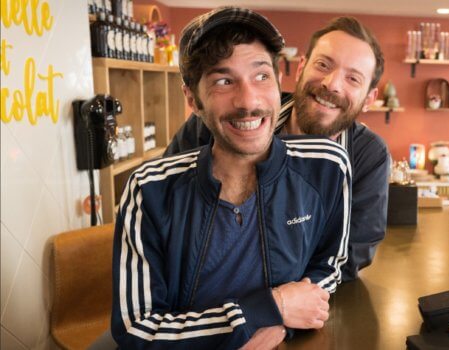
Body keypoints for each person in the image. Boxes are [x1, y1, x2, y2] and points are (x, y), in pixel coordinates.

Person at [111, 7, 352, 349]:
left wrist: (288, 322)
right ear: (193, 99)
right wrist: (268, 310)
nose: (249, 101)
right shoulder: (149, 189)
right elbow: (137, 331)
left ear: (278, 83)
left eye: (261, 76)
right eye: (223, 81)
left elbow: (329, 266)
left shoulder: (327, 166)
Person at [165, 16, 389, 281]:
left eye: (353, 78)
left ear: (369, 99)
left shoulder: (368, 155)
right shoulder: (217, 122)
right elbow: (165, 216)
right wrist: (267, 302)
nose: (332, 83)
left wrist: (286, 300)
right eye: (323, 64)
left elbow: (351, 254)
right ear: (301, 67)